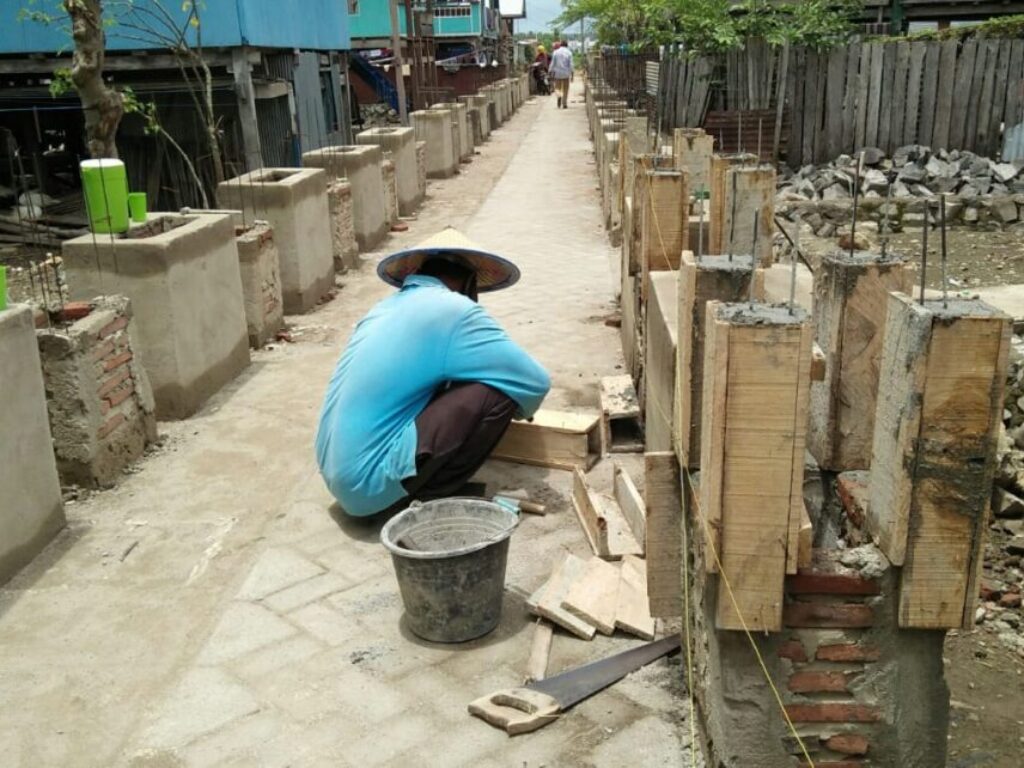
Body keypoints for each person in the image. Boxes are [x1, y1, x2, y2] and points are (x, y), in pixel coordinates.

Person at [316, 227, 551, 517]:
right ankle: (433, 492)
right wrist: (516, 410)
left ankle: (412, 478)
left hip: (336, 478)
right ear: (469, 284)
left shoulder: (381, 308)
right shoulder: (455, 309)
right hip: (368, 487)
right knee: (496, 392)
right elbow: (535, 382)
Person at [548, 39, 573, 109]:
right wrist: (572, 73)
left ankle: (559, 96)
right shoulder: (569, 53)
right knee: (565, 89)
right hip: (566, 73)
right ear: (567, 45)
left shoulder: (555, 52)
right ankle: (564, 103)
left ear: (561, 45)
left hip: (557, 74)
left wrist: (550, 71)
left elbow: (552, 63)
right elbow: (571, 64)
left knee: (557, 88)